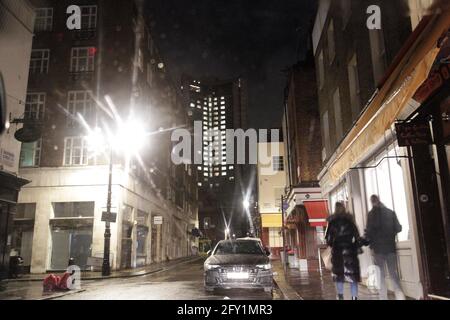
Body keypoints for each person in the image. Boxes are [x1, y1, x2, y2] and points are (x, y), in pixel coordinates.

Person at [364, 195, 405, 300]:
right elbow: (398, 228)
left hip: (378, 249)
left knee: (380, 274)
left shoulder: (371, 215)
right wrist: (391, 233)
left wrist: (368, 240)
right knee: (393, 273)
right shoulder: (390, 212)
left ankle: (383, 297)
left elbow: (368, 232)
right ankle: (400, 296)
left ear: (372, 202)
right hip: (390, 247)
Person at [325, 202, 363, 300]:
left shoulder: (332, 222)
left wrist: (334, 244)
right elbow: (357, 237)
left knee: (339, 276)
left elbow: (328, 240)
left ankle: (340, 296)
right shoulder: (350, 221)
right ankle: (354, 297)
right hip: (350, 251)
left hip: (337, 252)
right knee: (352, 276)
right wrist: (355, 246)